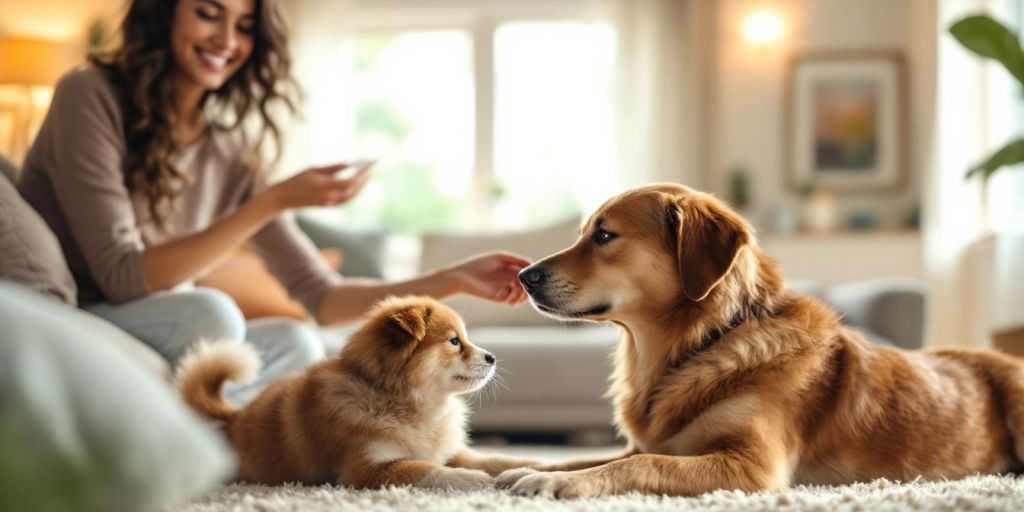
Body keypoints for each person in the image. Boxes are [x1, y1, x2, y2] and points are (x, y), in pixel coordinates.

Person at [17, 0, 530, 403]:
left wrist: (454, 278)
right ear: (163, 14)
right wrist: (272, 199)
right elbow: (122, 276)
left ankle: (216, 435)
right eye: (207, 13)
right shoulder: (89, 96)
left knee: (297, 342)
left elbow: (322, 298)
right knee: (211, 316)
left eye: (244, 26)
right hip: (85, 315)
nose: (226, 39)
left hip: (164, 326)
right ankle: (204, 434)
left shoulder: (229, 153)